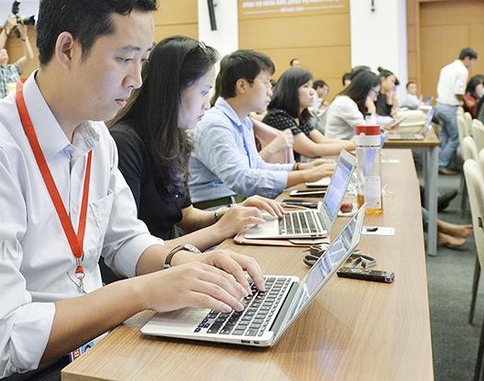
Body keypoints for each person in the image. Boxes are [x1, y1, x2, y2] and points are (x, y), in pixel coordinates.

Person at [0, 0, 264, 380]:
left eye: (143, 60)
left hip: (87, 353)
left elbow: (124, 240)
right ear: (67, 48)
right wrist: (142, 291)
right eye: (124, 59)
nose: (137, 80)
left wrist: (186, 262)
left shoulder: (95, 136)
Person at [108, 35, 284, 247]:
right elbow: (127, 251)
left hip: (172, 256)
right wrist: (220, 229)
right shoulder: (124, 143)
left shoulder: (176, 138)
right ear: (172, 90)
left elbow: (186, 216)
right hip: (151, 269)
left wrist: (230, 214)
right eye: (203, 92)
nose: (207, 105)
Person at [188, 50, 334, 205]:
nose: (270, 91)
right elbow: (241, 179)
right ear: (242, 85)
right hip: (213, 210)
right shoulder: (215, 124)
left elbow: (257, 166)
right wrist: (307, 175)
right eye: (266, 83)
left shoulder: (243, 121)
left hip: (236, 204)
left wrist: (299, 167)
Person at [263, 68, 354, 160]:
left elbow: (322, 141)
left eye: (311, 87)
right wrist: (353, 145)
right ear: (291, 90)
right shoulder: (278, 116)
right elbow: (312, 150)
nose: (312, 92)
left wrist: (353, 144)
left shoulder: (299, 117)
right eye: (306, 86)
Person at [435, 47, 477, 175]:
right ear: (467, 59)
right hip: (449, 107)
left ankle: (445, 163)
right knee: (455, 138)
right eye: (473, 61)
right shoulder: (462, 70)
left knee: (446, 136)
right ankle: (441, 164)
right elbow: (458, 92)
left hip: (440, 106)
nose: (472, 65)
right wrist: (466, 102)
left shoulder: (446, 68)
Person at [0, 16, 35, 100]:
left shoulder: (13, 68)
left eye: (2, 49)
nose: (2, 51)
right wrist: (6, 29)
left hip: (15, 108)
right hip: (0, 110)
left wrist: (24, 36)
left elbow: (29, 57)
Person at [323, 70, 380, 140]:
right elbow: (369, 135)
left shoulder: (347, 101)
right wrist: (371, 110)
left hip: (344, 148)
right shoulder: (345, 103)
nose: (375, 99)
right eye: (375, 93)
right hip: (338, 150)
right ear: (367, 89)